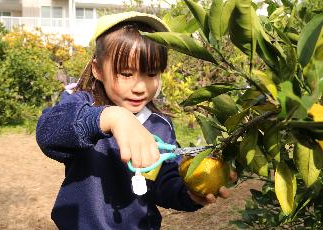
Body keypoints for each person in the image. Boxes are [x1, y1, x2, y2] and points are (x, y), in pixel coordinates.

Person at [36, 11, 233, 230]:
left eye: (150, 74)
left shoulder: (159, 125)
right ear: (98, 70)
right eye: (127, 74)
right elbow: (49, 133)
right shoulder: (83, 105)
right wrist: (111, 117)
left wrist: (190, 194)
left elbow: (163, 184)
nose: (140, 88)